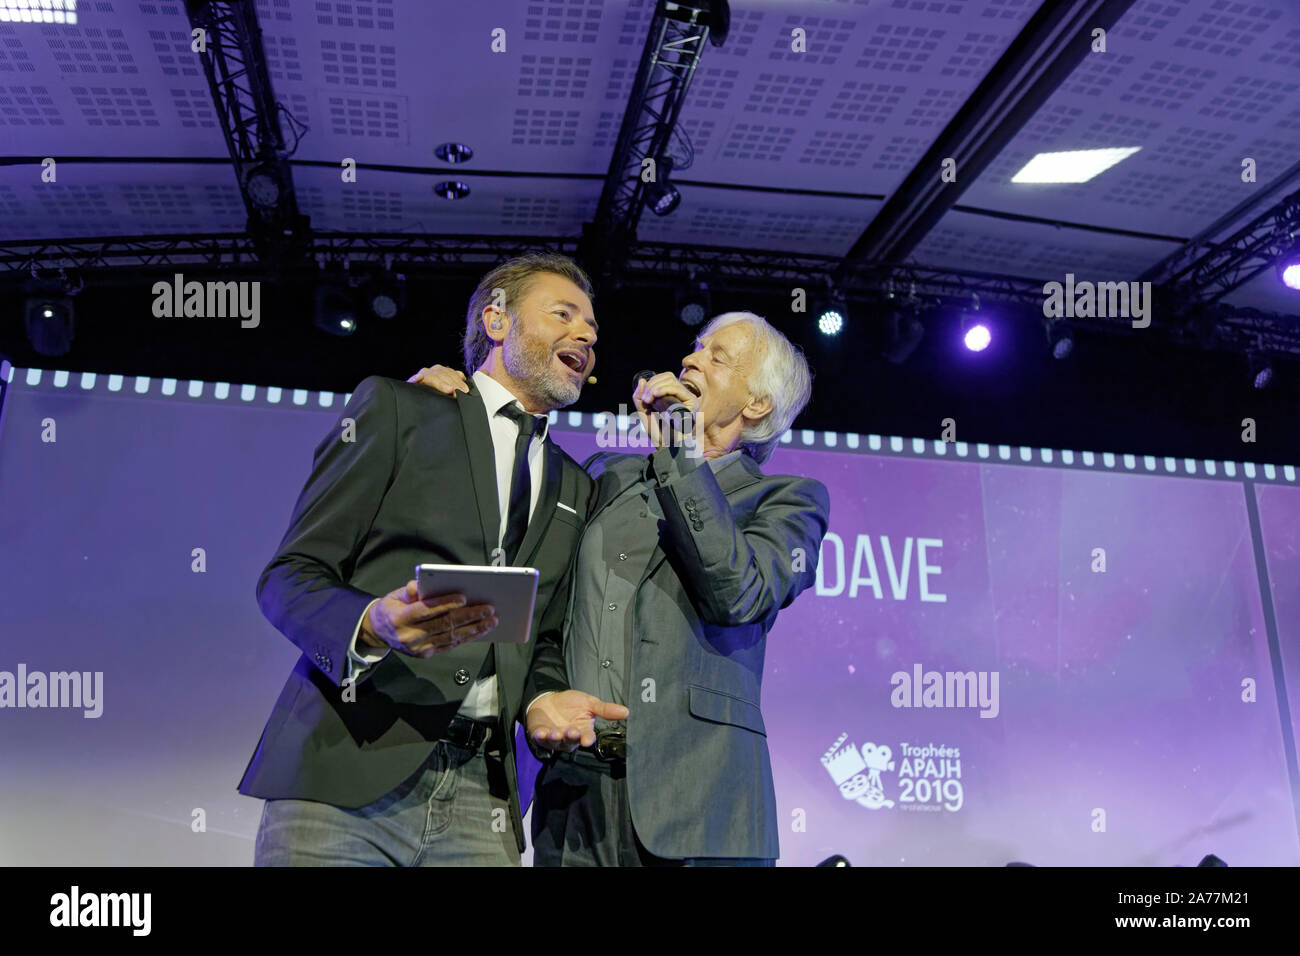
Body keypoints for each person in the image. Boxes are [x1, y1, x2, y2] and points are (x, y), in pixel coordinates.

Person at [239, 252, 627, 866]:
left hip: (483, 801)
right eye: (563, 314)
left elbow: (543, 635)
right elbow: (289, 578)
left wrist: (539, 701)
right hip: (346, 776)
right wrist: (371, 624)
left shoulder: (576, 486)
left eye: (593, 328)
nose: (587, 334)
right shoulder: (402, 410)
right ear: (496, 321)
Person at [410, 310, 830, 865]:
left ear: (757, 405)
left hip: (701, 806)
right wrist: (448, 418)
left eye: (716, 356)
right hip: (574, 793)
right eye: (694, 347)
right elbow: (538, 590)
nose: (689, 360)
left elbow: (737, 594)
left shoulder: (788, 499)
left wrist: (681, 451)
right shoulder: (607, 475)